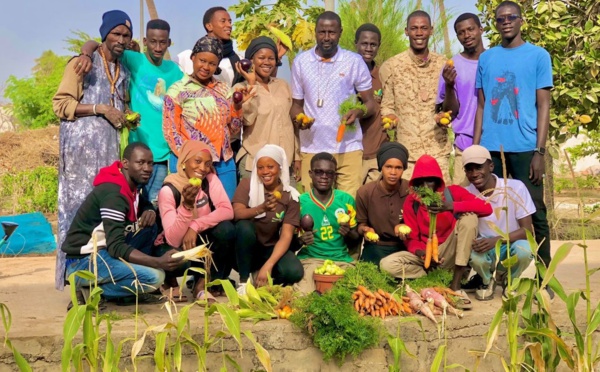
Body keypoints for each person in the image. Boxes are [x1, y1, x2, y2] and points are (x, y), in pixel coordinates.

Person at [53, 10, 133, 290]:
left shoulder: (123, 69)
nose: (121, 40)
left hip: (108, 153)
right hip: (79, 155)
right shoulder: (82, 63)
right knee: (76, 215)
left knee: (102, 216)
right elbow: (61, 105)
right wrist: (101, 109)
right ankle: (75, 283)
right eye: (116, 34)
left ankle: (98, 281)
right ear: (104, 35)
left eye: (126, 35)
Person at [473, 0, 552, 272]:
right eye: (500, 18)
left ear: (521, 20)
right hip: (491, 147)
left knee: (535, 211)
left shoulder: (538, 56)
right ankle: (490, 272)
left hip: (525, 148)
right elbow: (481, 106)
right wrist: (476, 149)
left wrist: (539, 152)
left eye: (511, 17)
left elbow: (543, 105)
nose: (506, 21)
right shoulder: (487, 58)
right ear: (495, 24)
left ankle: (544, 272)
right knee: (485, 209)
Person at [76, 19, 184, 205]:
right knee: (129, 201)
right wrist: (85, 53)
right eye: (153, 41)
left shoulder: (175, 71)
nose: (158, 47)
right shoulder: (133, 59)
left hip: (162, 151)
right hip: (134, 147)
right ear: (145, 41)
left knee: (152, 202)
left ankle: (150, 234)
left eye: (163, 42)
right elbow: (98, 45)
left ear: (169, 42)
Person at [62, 143, 183, 305]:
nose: (147, 168)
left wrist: (150, 210)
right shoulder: (114, 195)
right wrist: (158, 262)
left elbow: (143, 203)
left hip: (102, 253)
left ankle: (124, 291)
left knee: (150, 227)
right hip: (83, 262)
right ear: (125, 164)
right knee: (155, 277)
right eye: (140, 163)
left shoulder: (130, 187)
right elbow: (116, 247)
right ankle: (91, 291)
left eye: (150, 163)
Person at [379, 154, 492, 308]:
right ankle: (436, 277)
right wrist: (423, 254)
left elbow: (486, 207)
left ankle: (456, 284)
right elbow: (411, 239)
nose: (426, 187)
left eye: (430, 181)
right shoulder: (411, 203)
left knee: (470, 217)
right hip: (426, 257)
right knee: (387, 264)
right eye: (421, 182)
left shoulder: (452, 193)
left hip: (449, 251)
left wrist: (451, 206)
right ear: (416, 184)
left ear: (438, 181)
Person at [291, 11, 376, 197]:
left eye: (332, 32)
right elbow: (296, 105)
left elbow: (370, 103)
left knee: (347, 207)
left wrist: (358, 112)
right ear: (315, 32)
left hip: (348, 148)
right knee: (313, 208)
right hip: (312, 148)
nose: (327, 38)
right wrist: (299, 118)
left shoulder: (354, 61)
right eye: (322, 32)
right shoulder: (301, 62)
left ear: (340, 32)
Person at [163, 36, 253, 200]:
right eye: (202, 61)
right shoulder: (177, 91)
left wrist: (238, 107)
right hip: (191, 165)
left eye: (212, 64)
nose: (206, 67)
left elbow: (233, 129)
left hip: (223, 162)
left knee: (226, 211)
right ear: (193, 58)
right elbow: (171, 132)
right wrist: (193, 161)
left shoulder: (224, 89)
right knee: (193, 213)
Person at [155, 140, 235, 302]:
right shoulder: (169, 190)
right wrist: (186, 206)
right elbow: (173, 238)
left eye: (207, 164)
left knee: (227, 230)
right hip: (176, 247)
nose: (203, 169)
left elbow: (227, 210)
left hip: (199, 242)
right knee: (170, 255)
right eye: (197, 162)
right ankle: (169, 281)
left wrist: (195, 225)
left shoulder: (210, 180)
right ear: (184, 162)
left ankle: (202, 284)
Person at [380, 10, 450, 180]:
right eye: (414, 28)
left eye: (424, 28)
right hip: (407, 154)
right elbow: (387, 104)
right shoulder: (393, 66)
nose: (419, 33)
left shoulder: (443, 64)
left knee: (440, 203)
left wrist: (444, 116)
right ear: (406, 31)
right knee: (409, 204)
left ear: (431, 30)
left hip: (437, 151)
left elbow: (451, 102)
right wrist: (390, 117)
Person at [461, 145, 534, 301]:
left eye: (479, 167)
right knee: (474, 255)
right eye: (469, 169)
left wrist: (495, 240)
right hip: (483, 245)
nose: (474, 174)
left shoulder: (515, 187)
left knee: (525, 250)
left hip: (511, 242)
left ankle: (510, 279)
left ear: (491, 166)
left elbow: (528, 231)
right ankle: (486, 281)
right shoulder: (466, 193)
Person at [232, 145, 304, 294]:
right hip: (245, 250)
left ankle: (262, 277)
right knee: (244, 226)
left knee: (294, 272)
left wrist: (268, 265)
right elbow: (237, 213)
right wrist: (262, 208)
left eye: (270, 167)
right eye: (260, 167)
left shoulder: (290, 196)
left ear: (280, 167)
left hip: (271, 248)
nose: (265, 172)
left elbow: (286, 236)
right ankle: (244, 281)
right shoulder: (247, 185)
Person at [233, 36, 300, 183]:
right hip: (255, 163)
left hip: (284, 163)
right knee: (257, 206)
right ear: (251, 61)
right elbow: (247, 120)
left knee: (290, 204)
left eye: (271, 58)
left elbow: (292, 124)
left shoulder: (283, 85)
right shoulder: (240, 89)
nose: (267, 62)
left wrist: (297, 157)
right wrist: (252, 84)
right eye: (261, 57)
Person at [295, 152, 360, 294]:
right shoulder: (300, 202)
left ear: (335, 176)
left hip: (341, 260)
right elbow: (288, 240)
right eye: (319, 172)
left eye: (329, 173)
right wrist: (300, 240)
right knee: (303, 296)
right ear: (310, 174)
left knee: (349, 296)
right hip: (311, 259)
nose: (324, 177)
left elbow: (356, 240)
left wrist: (348, 234)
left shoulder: (346, 200)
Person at [435, 13, 486, 185]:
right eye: (461, 32)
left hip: (494, 143)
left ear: (481, 29)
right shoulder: (452, 65)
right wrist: (449, 86)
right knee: (461, 203)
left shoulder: (495, 60)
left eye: (471, 29)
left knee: (499, 203)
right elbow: (450, 112)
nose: (467, 35)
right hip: (465, 146)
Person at [356, 143, 410, 266]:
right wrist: (365, 230)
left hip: (403, 248)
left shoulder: (411, 191)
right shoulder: (365, 192)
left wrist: (404, 227)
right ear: (381, 167)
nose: (393, 172)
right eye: (388, 167)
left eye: (398, 168)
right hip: (376, 247)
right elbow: (361, 224)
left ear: (404, 169)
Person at [354, 23, 389, 184]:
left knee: (373, 204)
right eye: (364, 43)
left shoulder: (383, 76)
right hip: (351, 155)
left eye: (373, 44)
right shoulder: (345, 74)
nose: (368, 48)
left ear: (378, 46)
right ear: (356, 44)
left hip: (377, 155)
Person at [176, 7, 241, 86]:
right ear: (209, 26)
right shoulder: (185, 57)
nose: (229, 25)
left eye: (229, 21)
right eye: (223, 21)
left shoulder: (238, 60)